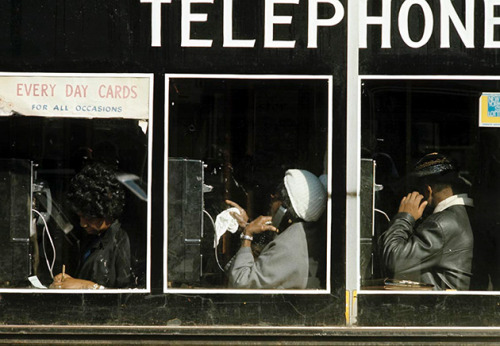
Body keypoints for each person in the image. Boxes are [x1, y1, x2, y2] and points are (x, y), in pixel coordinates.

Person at [379, 153, 474, 290]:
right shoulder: (466, 215)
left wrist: (404, 217)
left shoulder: (441, 223)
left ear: (427, 190)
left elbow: (393, 260)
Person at [225, 169, 327, 289]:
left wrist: (247, 235)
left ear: (284, 208)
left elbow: (240, 282)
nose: (271, 197)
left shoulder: (287, 246)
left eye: (276, 196)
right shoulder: (302, 232)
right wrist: (248, 226)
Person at [50, 162, 131, 289]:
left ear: (106, 211)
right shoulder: (91, 239)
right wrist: (71, 281)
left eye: (89, 217)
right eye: (80, 216)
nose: (83, 224)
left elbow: (129, 296)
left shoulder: (122, 241)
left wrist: (87, 286)